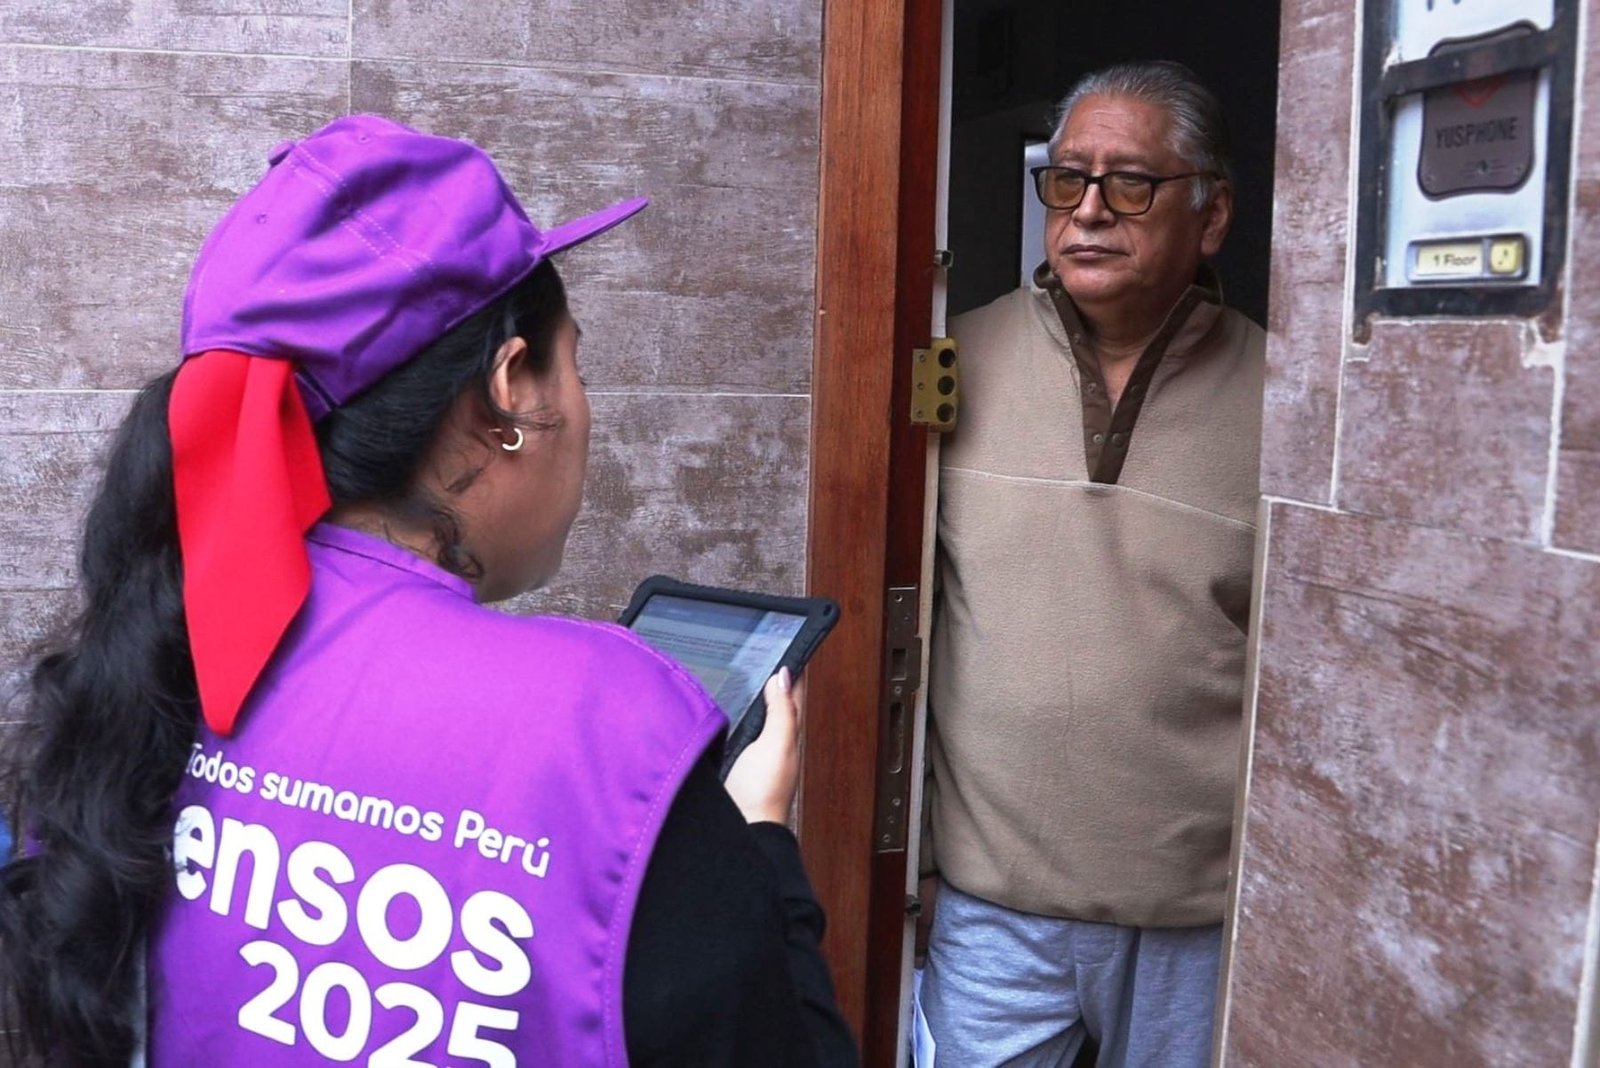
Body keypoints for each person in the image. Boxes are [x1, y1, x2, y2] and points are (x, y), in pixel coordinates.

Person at [0, 114, 857, 1067]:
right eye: (577, 363)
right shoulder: (612, 720)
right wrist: (759, 837)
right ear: (510, 390)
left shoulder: (150, 654)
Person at [918, 61, 1264, 1066]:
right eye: (1067, 179)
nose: (1089, 212)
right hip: (990, 913)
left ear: (1211, 214)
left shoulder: (1285, 399)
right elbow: (913, 619)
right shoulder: (951, 361)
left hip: (1198, 922)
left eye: (1132, 183)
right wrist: (915, 858)